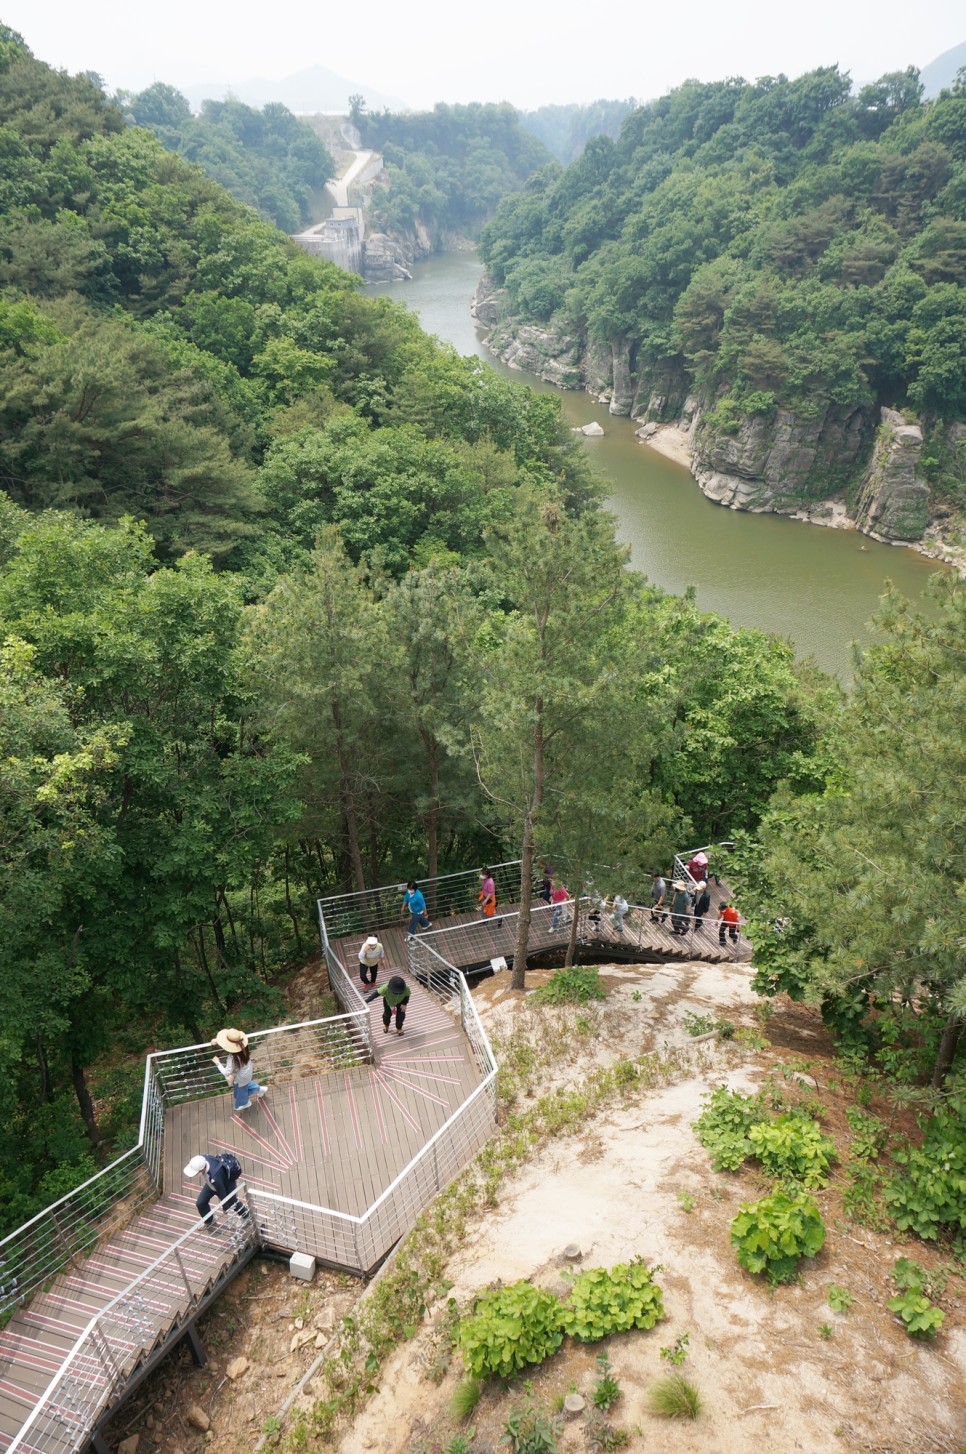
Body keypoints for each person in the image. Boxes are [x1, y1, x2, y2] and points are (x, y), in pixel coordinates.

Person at [184, 1152, 250, 1231]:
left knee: (232, 1202)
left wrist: (225, 1207)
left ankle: (245, 1215)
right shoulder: (203, 1159)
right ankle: (209, 1220)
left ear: (202, 1169)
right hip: (211, 1185)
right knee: (200, 1203)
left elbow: (222, 1192)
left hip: (225, 1184)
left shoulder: (215, 1177)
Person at [211, 1028, 267, 1113]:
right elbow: (233, 1043)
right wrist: (217, 1040)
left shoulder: (232, 1058)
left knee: (239, 1093)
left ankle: (245, 1103)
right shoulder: (243, 1046)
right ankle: (260, 1089)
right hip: (247, 1071)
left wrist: (218, 1063)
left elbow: (226, 1073)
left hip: (241, 1077)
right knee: (245, 1085)